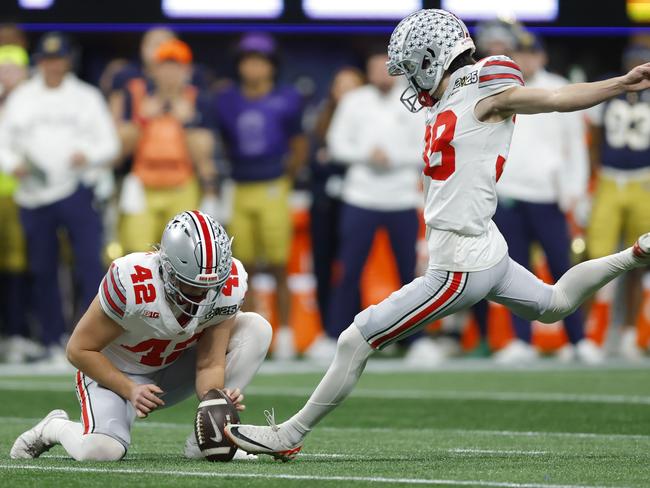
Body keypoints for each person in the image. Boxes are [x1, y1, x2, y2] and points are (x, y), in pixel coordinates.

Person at [223, 9, 650, 460]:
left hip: (459, 265)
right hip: (485, 245)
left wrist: (619, 84)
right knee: (553, 304)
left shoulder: (483, 84)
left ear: (431, 58)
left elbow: (556, 97)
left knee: (356, 338)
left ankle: (288, 434)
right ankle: (637, 253)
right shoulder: (454, 98)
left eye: (411, 68)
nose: (409, 80)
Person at [10, 210, 272, 462]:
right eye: (191, 284)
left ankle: (206, 442)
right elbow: (78, 349)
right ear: (167, 267)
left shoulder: (228, 285)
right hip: (115, 373)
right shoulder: (131, 282)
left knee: (257, 329)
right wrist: (129, 389)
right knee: (101, 451)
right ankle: (54, 426)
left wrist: (216, 401)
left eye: (210, 286)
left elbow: (210, 362)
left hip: (170, 368)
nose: (202, 295)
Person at [0, 32, 119, 362]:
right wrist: (14, 164)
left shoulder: (86, 97)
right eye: (47, 59)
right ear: (40, 62)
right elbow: (3, 142)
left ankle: (95, 339)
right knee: (42, 268)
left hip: (76, 189)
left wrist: (88, 156)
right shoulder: (22, 97)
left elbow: (109, 144)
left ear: (68, 60)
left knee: (88, 265)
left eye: (59, 59)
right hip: (34, 194)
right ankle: (52, 339)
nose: (53, 65)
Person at [489, 28, 601, 364]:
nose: (525, 60)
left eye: (530, 54)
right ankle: (522, 341)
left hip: (547, 194)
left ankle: (577, 340)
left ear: (542, 56)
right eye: (519, 55)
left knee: (561, 268)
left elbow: (575, 148)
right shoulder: (501, 88)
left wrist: (575, 190)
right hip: (509, 192)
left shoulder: (558, 87)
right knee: (511, 271)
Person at [322, 51, 431, 365]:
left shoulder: (415, 100)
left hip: (400, 198)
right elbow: (336, 144)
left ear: (398, 70)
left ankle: (416, 341)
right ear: (368, 72)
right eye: (375, 69)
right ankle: (334, 337)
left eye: (387, 69)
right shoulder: (354, 100)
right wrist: (367, 155)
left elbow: (427, 145)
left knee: (410, 274)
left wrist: (393, 157)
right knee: (349, 270)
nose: (382, 75)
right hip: (361, 197)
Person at [215, 33, 308, 359]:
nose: (253, 67)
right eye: (247, 60)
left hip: (272, 184)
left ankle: (284, 334)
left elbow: (298, 143)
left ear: (271, 66)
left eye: (260, 61)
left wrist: (287, 177)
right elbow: (224, 142)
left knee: (280, 264)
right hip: (241, 184)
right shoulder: (227, 99)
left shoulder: (286, 97)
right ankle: (252, 338)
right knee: (245, 268)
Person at [117, 38, 217, 254]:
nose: (170, 74)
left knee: (183, 254)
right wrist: (142, 119)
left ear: (187, 71)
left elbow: (204, 155)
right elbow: (121, 150)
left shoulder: (199, 101)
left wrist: (187, 122)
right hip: (143, 185)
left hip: (181, 185)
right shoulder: (137, 97)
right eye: (164, 67)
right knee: (137, 254)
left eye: (176, 67)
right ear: (154, 70)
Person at [586, 42, 650, 360]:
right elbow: (595, 141)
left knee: (642, 261)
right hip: (610, 179)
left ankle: (631, 334)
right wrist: (591, 179)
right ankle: (595, 335)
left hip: (644, 181)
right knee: (598, 261)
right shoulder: (613, 86)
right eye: (634, 60)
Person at [304, 66, 365, 360]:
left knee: (352, 267)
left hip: (358, 200)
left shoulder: (369, 114)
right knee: (323, 266)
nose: (346, 92)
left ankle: (355, 331)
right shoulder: (322, 117)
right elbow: (315, 161)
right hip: (325, 202)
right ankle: (328, 329)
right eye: (341, 85)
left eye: (353, 85)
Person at [0, 43, 43, 363]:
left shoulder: (31, 104)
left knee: (20, 265)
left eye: (13, 70)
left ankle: (18, 333)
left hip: (22, 193)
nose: (7, 76)